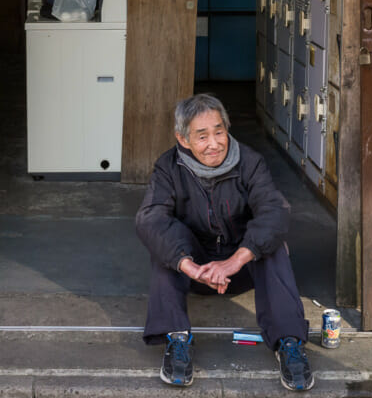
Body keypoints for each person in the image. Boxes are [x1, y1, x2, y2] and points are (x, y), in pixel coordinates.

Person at [134, 93, 314, 391]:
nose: (214, 143)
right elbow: (150, 217)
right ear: (183, 139)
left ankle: (290, 342)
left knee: (271, 245)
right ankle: (176, 338)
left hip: (240, 267)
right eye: (202, 136)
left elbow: (274, 210)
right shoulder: (168, 167)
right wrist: (188, 266)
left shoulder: (250, 162)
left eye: (219, 132)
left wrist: (237, 259)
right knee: (165, 244)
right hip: (196, 270)